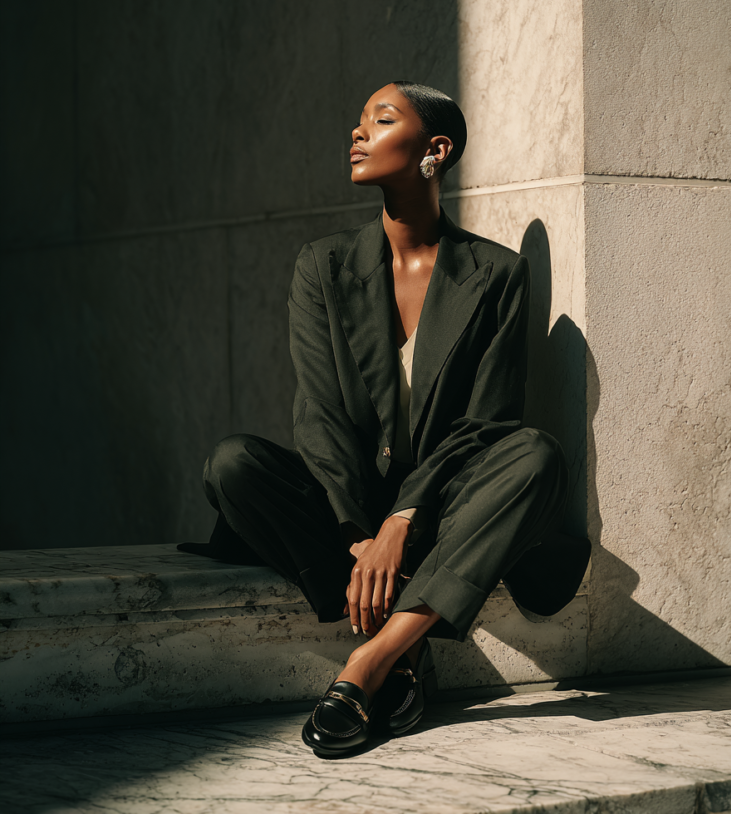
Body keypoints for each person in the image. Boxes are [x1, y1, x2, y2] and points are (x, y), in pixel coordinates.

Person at [179, 81, 590, 756]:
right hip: (347, 509)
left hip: (439, 506)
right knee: (233, 464)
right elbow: (319, 415)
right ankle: (401, 655)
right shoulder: (324, 265)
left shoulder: (496, 274)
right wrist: (360, 538)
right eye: (359, 121)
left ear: (435, 149)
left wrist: (403, 521)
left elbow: (484, 425)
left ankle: (371, 661)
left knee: (535, 455)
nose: (357, 132)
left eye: (381, 118)